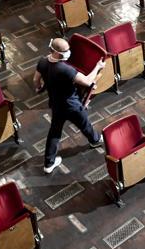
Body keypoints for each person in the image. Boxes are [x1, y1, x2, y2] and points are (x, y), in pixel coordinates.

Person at [34, 37, 105, 174]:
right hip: (72, 106)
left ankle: (49, 163)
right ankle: (95, 140)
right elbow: (87, 81)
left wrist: (38, 88)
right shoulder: (65, 69)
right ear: (57, 52)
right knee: (84, 124)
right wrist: (98, 67)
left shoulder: (42, 61)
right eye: (66, 51)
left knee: (54, 132)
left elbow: (36, 79)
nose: (69, 52)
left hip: (56, 104)